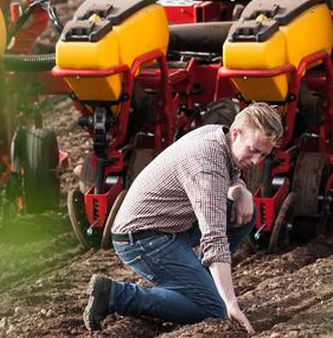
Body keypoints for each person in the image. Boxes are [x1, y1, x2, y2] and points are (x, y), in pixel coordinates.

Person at [83, 102, 282, 333]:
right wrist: (230, 303)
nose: (257, 161)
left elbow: (230, 173)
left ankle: (201, 286)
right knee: (213, 310)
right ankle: (116, 295)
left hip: (171, 226)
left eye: (263, 155)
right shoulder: (207, 164)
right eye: (253, 150)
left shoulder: (220, 136)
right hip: (141, 239)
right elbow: (214, 239)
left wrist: (240, 190)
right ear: (236, 133)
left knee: (244, 213)